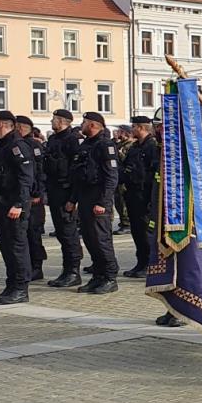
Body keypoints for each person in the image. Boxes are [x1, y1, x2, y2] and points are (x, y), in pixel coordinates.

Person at [0, 111, 36, 304]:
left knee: (17, 247)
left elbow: (25, 178)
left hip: (14, 204)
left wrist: (19, 204)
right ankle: (11, 285)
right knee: (6, 247)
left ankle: (21, 288)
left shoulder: (17, 145)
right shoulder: (1, 145)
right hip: (1, 202)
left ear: (2, 124)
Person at [71, 111, 120, 294]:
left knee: (101, 240)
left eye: (84, 122)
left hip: (98, 199)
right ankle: (97, 276)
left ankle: (109, 277)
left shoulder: (105, 145)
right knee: (90, 240)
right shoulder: (86, 145)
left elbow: (111, 177)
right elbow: (78, 174)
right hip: (85, 198)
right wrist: (72, 199)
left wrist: (103, 202)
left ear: (92, 125)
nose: (81, 125)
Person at [43, 110, 83, 288]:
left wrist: (73, 198)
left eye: (54, 119)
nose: (52, 121)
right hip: (54, 191)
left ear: (62, 122)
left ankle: (73, 271)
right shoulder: (53, 139)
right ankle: (66, 270)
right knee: (61, 232)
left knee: (68, 233)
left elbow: (76, 171)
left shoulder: (72, 140)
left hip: (66, 192)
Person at [120, 116, 158, 278]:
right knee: (136, 231)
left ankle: (149, 264)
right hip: (132, 194)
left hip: (145, 195)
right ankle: (140, 262)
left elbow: (152, 171)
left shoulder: (152, 146)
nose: (132, 129)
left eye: (134, 126)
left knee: (145, 232)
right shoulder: (135, 146)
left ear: (141, 128)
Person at [16, 116, 48, 282]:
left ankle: (37, 266)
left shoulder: (34, 145)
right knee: (24, 234)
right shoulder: (17, 145)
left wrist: (37, 193)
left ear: (22, 128)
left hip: (33, 198)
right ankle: (27, 266)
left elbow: (40, 171)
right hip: (22, 196)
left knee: (33, 233)